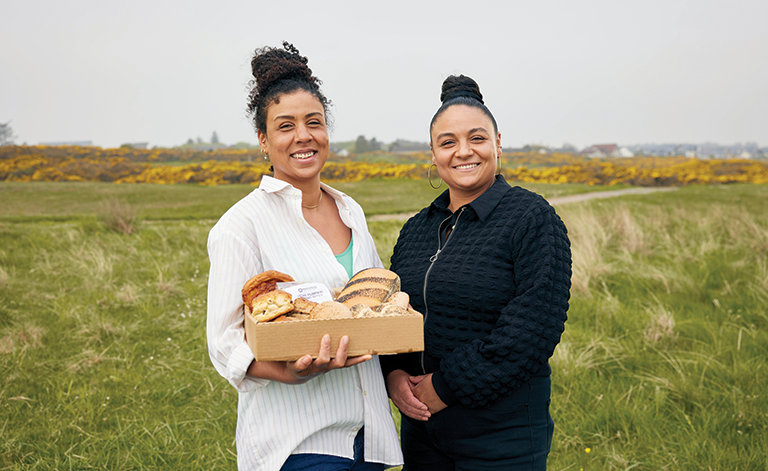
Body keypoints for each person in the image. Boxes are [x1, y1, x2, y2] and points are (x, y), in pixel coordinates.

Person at [206, 42, 403, 471]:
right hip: (298, 443)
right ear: (263, 140)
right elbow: (223, 343)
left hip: (369, 438)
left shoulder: (351, 211)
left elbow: (370, 309)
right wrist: (289, 372)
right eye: (285, 126)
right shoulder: (242, 225)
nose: (303, 136)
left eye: (314, 122)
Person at [380, 75, 572, 470]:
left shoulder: (531, 218)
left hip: (502, 435)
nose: (463, 151)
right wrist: (394, 373)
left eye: (477, 138)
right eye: (447, 142)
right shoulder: (416, 229)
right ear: (433, 154)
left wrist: (445, 386)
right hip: (422, 433)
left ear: (497, 144)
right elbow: (392, 314)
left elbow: (533, 330)